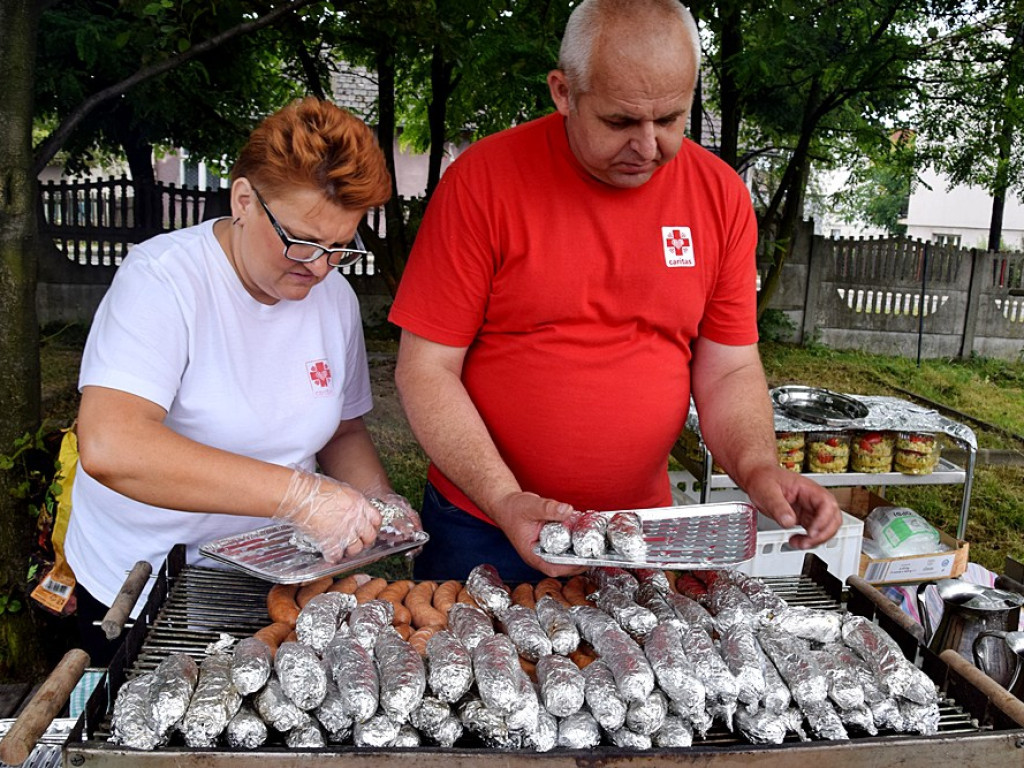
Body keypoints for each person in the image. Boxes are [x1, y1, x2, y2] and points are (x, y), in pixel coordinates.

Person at [388, 0, 842, 583]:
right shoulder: (482, 183)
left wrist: (758, 469)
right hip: (483, 523)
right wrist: (505, 498)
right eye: (621, 122)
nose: (649, 146)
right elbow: (425, 369)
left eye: (672, 119)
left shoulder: (720, 197)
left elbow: (728, 368)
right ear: (563, 92)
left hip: (637, 531)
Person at [65, 97, 419, 665]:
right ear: (245, 200)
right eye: (302, 240)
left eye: (339, 248)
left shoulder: (334, 297)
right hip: (143, 582)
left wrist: (376, 502)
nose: (318, 266)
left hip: (279, 575)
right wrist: (300, 496)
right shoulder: (164, 281)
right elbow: (111, 446)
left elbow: (341, 427)